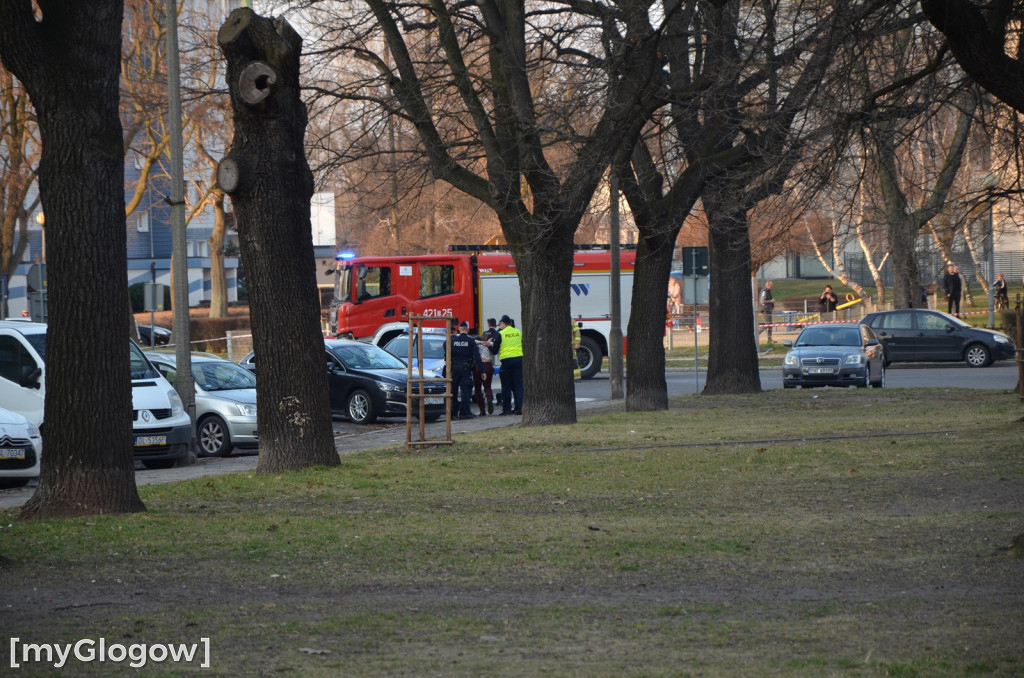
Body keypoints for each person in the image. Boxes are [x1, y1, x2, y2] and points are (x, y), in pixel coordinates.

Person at [490, 314, 524, 415]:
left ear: (504, 323)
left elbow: (494, 351)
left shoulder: (500, 333)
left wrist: (488, 346)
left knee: (506, 386)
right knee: (519, 385)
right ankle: (520, 408)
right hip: (519, 360)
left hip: (506, 361)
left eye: (500, 324)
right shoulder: (518, 332)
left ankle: (507, 409)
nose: (499, 326)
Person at [450, 320, 483, 419]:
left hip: (454, 368)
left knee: (454, 391)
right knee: (466, 390)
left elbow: (447, 354)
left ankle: (453, 413)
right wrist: (482, 370)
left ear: (459, 329)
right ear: (467, 329)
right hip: (465, 368)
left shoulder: (453, 341)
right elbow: (477, 356)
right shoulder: (470, 341)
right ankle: (465, 412)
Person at [472, 319, 498, 415]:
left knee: (478, 388)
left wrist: (479, 342)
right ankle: (490, 399)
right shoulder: (490, 345)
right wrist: (490, 342)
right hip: (488, 365)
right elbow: (495, 349)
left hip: (478, 366)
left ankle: (482, 410)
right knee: (487, 386)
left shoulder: (477, 345)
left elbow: (472, 341)